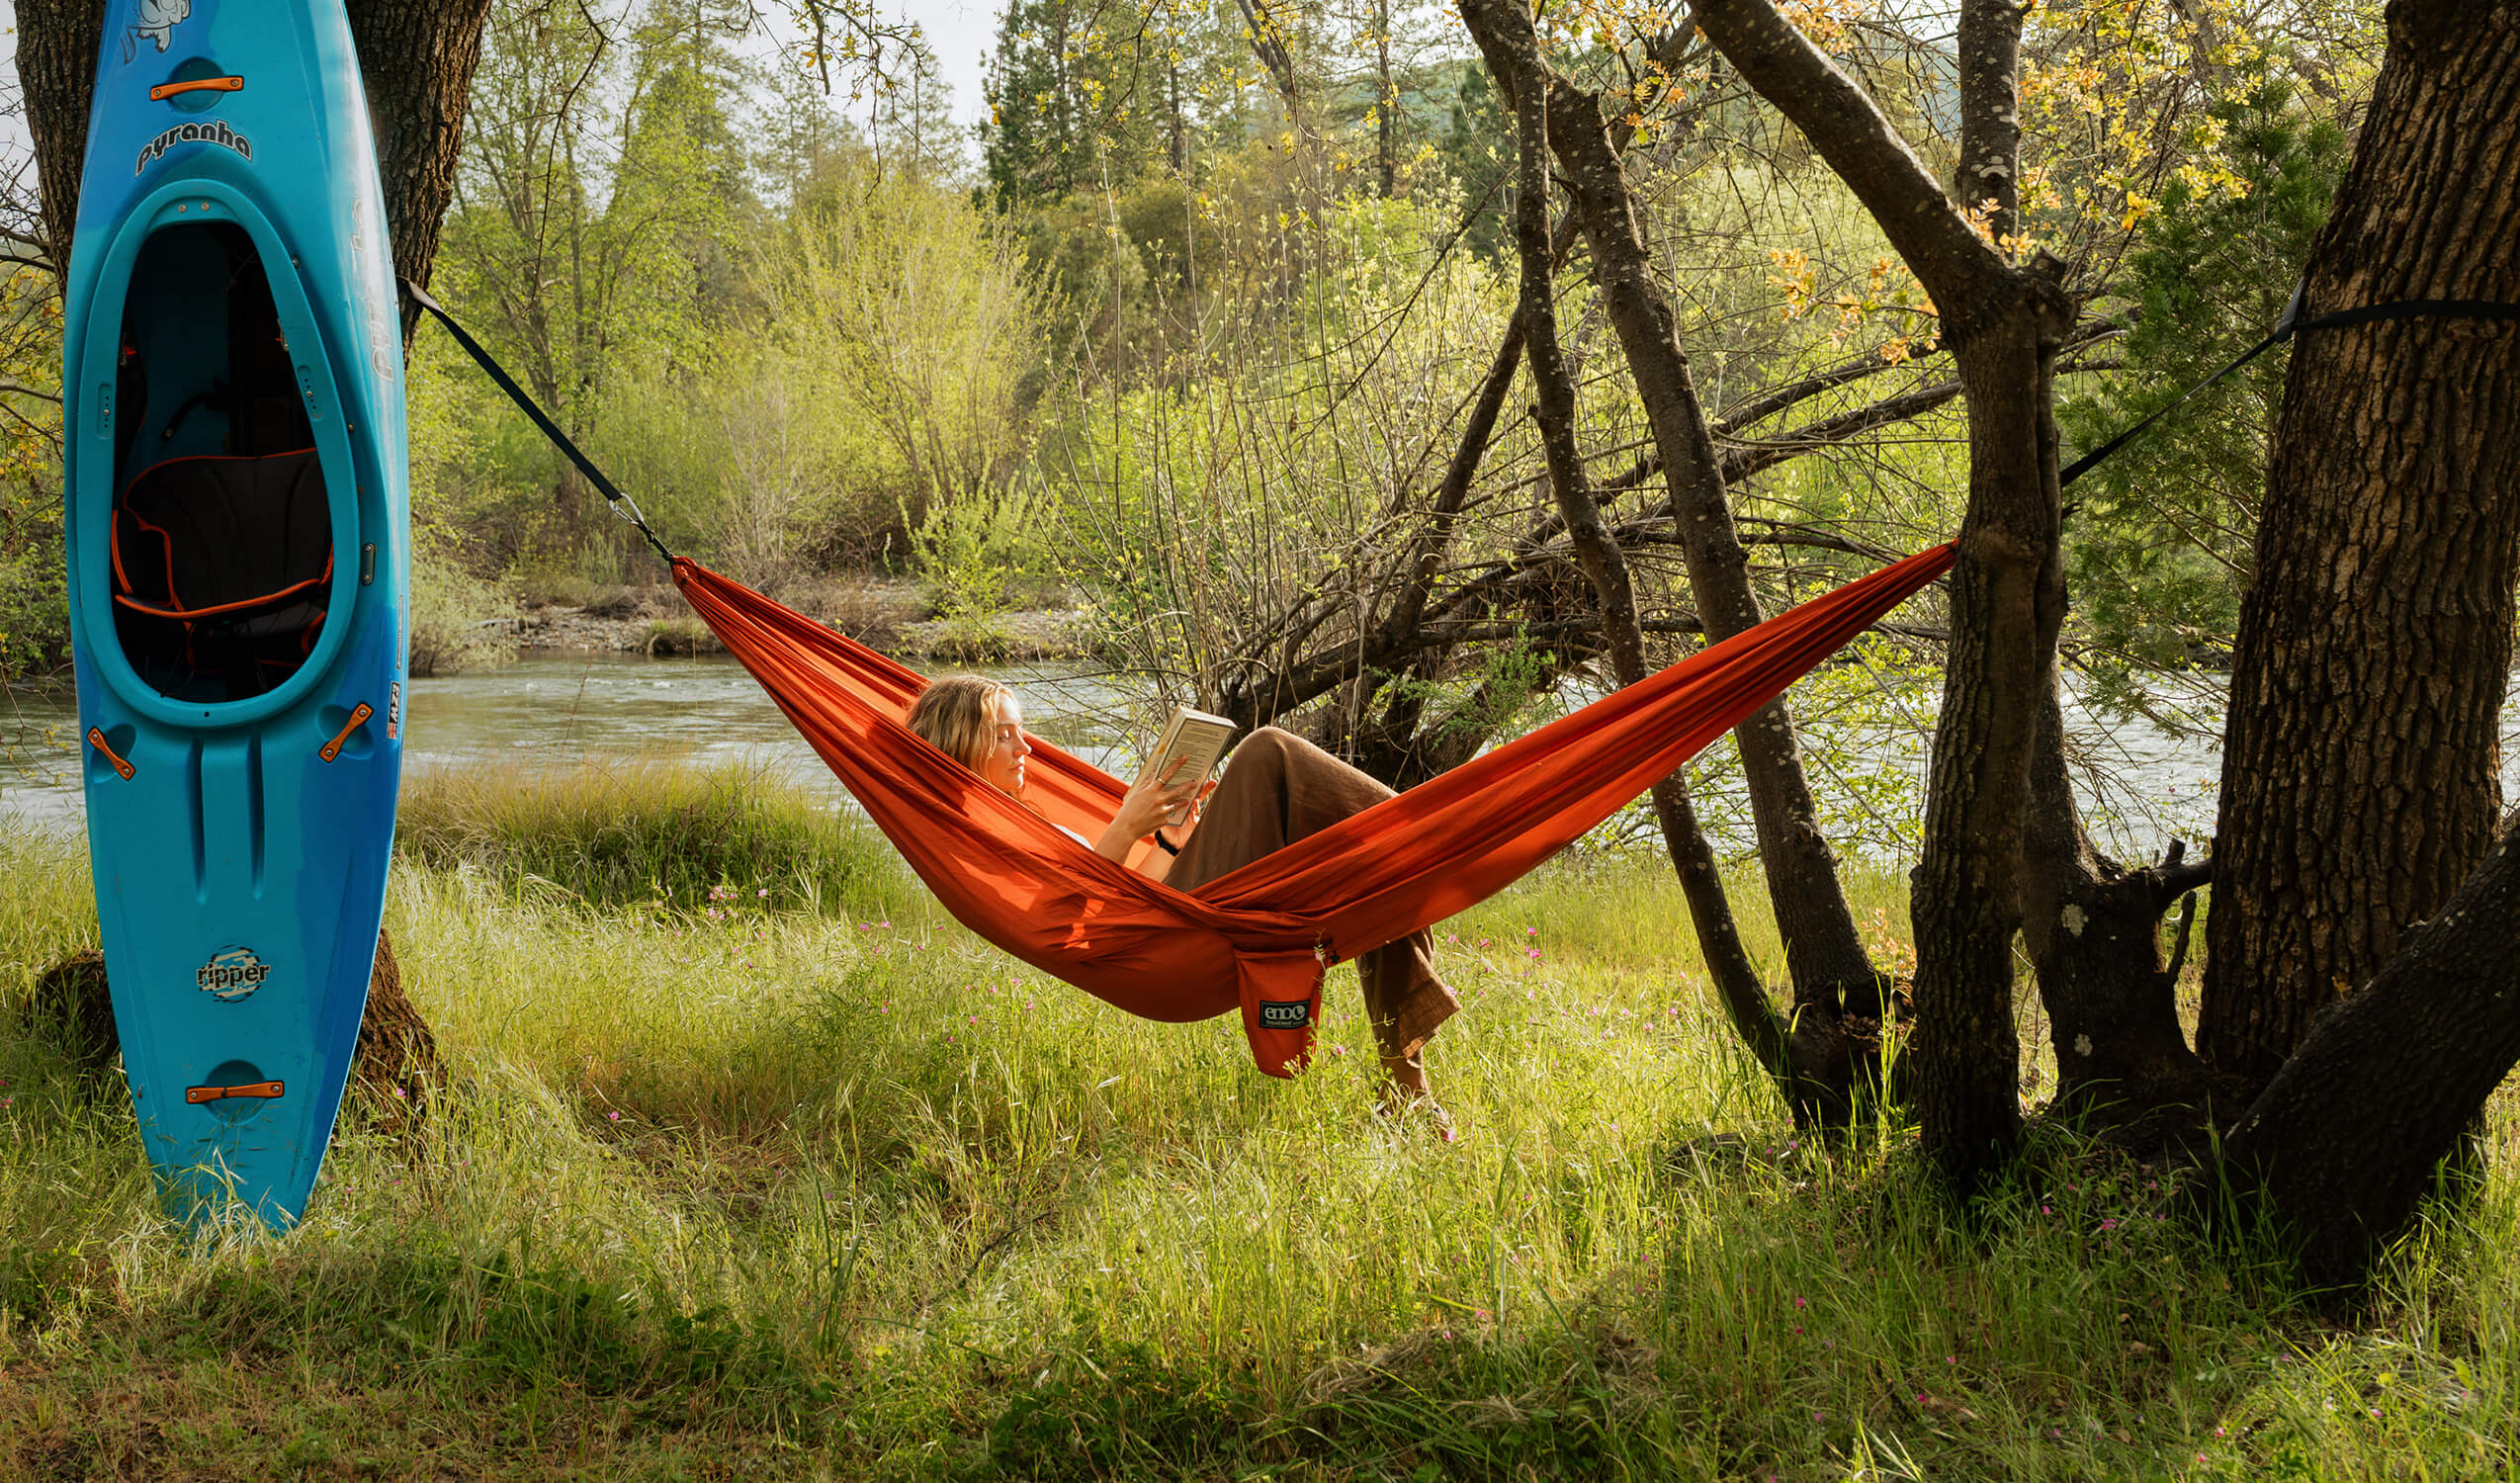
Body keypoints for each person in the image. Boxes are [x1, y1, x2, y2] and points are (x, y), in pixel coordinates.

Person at [905, 675, 1460, 1128]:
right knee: (1268, 753)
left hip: (1158, 918)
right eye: (1006, 735)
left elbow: (1118, 890)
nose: (1027, 748)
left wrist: (1172, 838)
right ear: (961, 742)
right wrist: (1124, 825)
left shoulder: (1019, 817)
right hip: (1159, 942)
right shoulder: (978, 839)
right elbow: (1065, 916)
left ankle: (1404, 1091)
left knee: (1372, 870)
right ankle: (1440, 831)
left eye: (1022, 733)